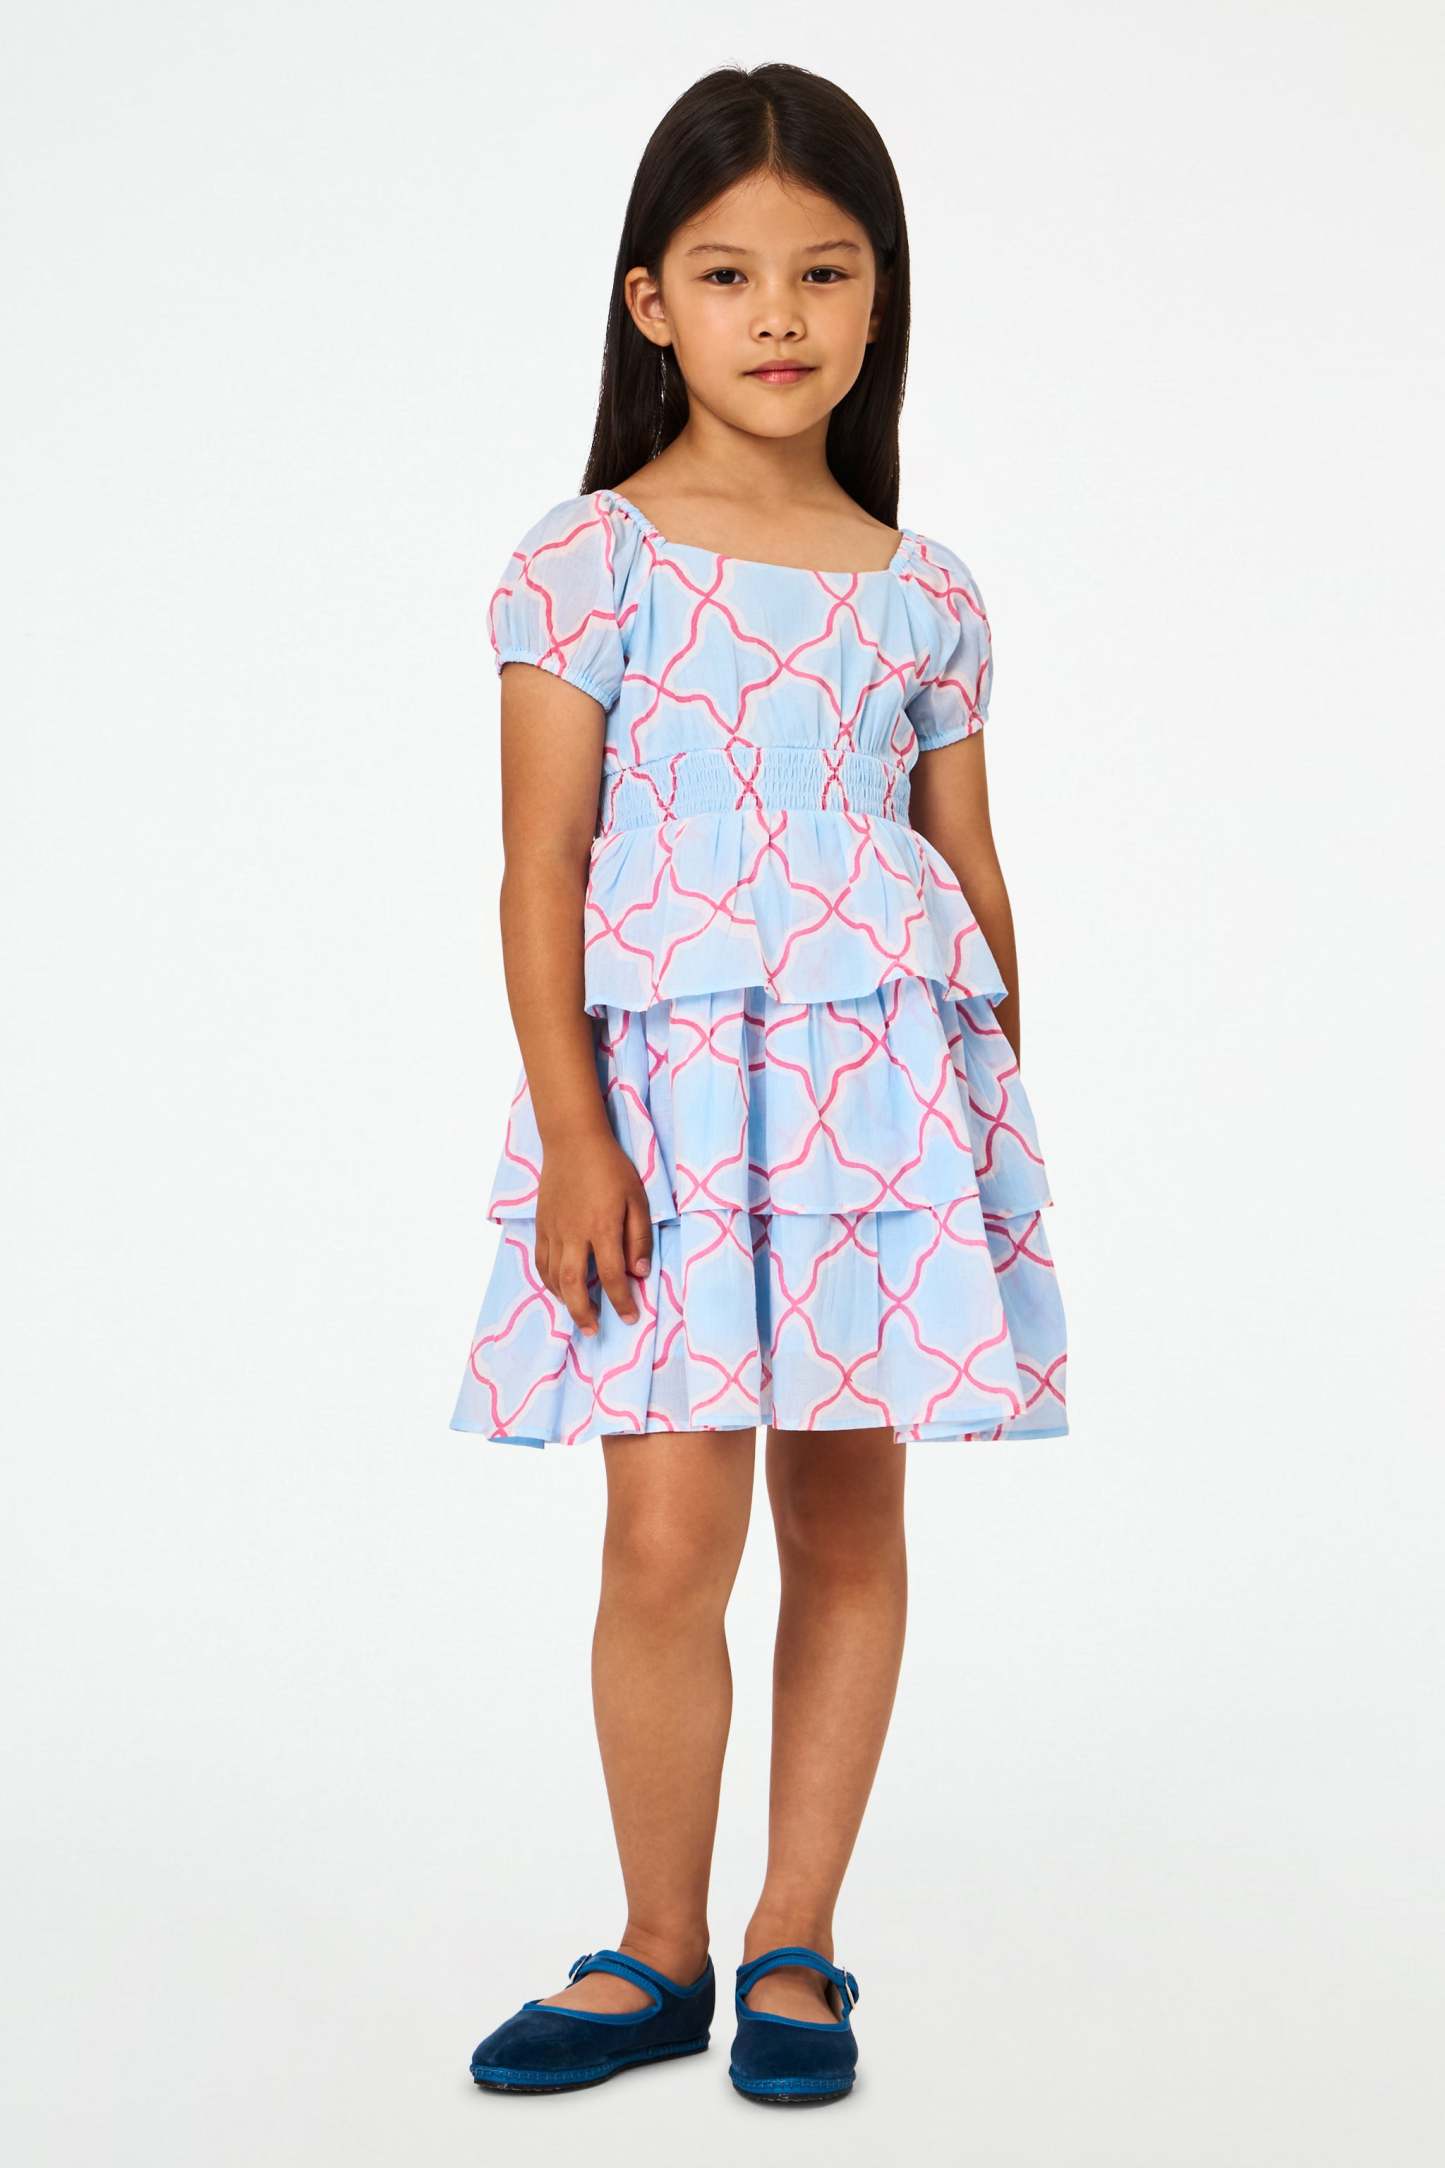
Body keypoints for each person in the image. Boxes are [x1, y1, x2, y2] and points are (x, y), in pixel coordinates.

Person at [449, 60, 1069, 2105]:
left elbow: (967, 873)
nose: (779, 314)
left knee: (850, 1513)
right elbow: (542, 866)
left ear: (881, 297)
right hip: (665, 1115)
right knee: (664, 1532)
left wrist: (985, 1126)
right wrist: (574, 1130)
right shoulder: (590, 561)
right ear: (651, 303)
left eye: (823, 270)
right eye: (727, 274)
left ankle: (796, 1938)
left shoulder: (926, 589)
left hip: (881, 1119)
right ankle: (657, 1947)